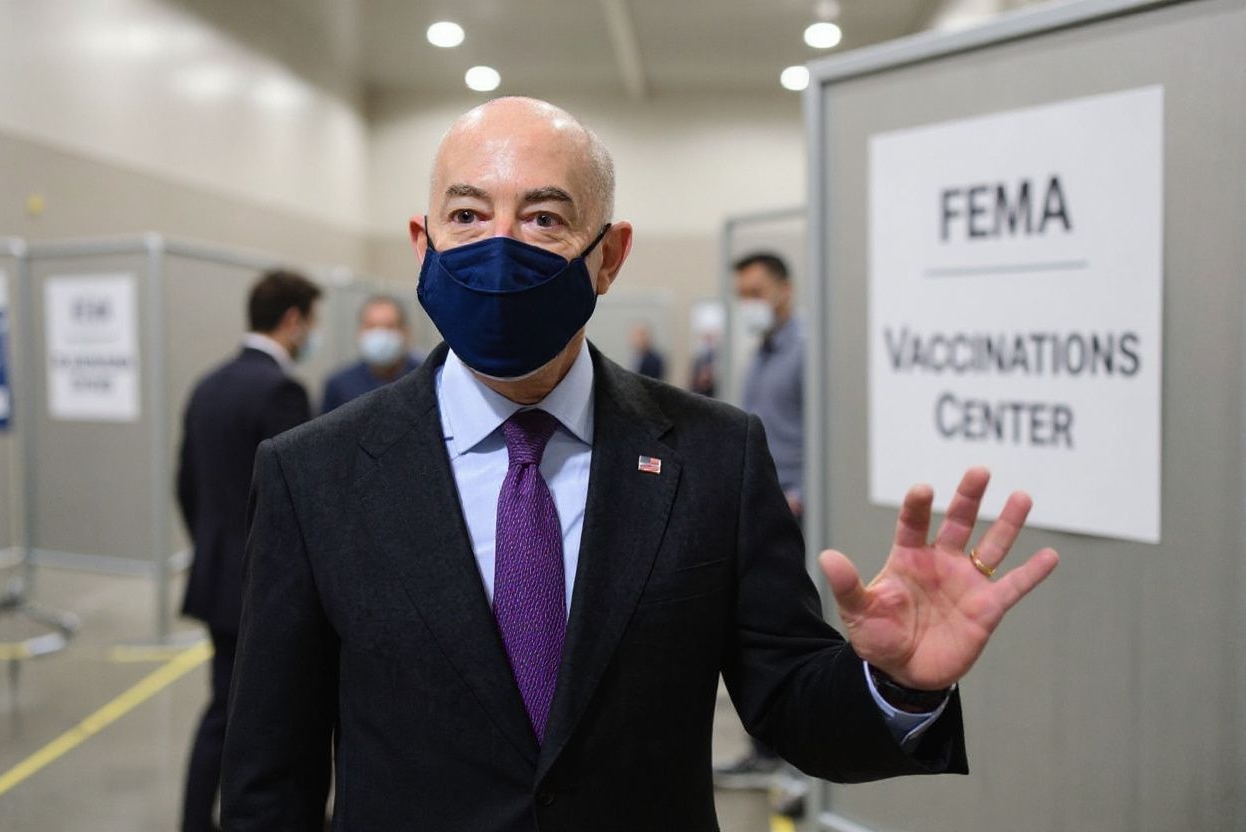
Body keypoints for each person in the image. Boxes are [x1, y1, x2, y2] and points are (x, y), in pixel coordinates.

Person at [222, 97, 1059, 831]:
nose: (501, 246)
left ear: (610, 256)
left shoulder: (715, 456)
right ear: (424, 242)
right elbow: (271, 777)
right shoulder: (314, 475)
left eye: (545, 218)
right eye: (469, 216)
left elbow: (789, 707)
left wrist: (898, 685)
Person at [176, 268, 322, 832]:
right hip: (262, 584)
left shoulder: (207, 385)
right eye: (309, 322)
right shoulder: (281, 391)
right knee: (261, 715)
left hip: (215, 577)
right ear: (292, 321)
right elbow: (299, 500)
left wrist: (213, 548)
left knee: (222, 706)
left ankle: (193, 818)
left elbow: (186, 485)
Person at [714, 251, 807, 792]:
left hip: (797, 511)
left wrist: (799, 493)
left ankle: (793, 757)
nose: (748, 304)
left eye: (755, 292)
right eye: (741, 294)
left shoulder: (805, 351)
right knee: (751, 632)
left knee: (787, 634)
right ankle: (763, 750)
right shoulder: (763, 353)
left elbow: (825, 432)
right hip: (761, 510)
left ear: (784, 289)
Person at [321, 295, 422, 413]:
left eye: (389, 326)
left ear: (405, 332)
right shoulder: (339, 385)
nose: (380, 334)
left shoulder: (424, 379)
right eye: (371, 326)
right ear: (360, 331)